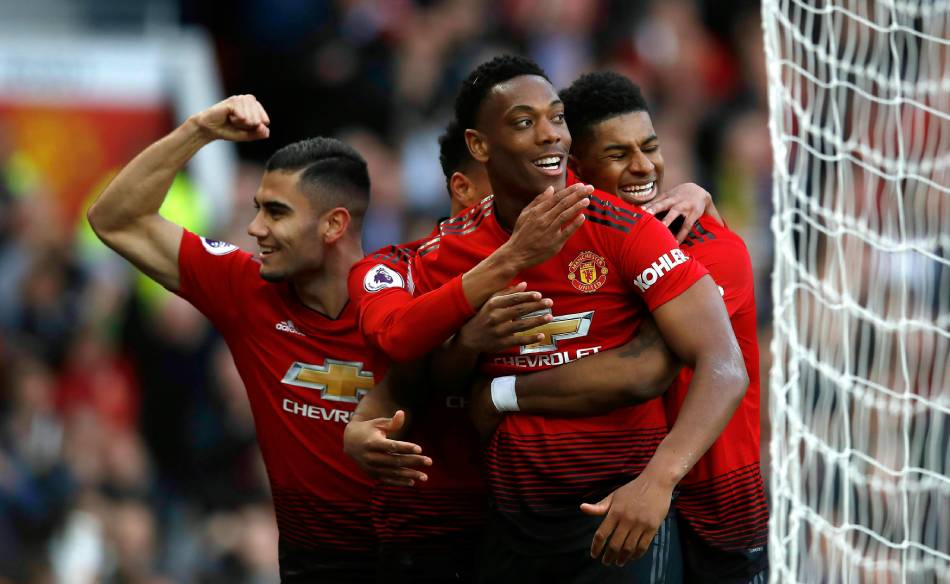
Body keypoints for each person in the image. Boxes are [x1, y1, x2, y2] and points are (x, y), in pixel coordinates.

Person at [406, 55, 748, 583]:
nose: (549, 134)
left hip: (637, 514)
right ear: (479, 146)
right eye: (525, 122)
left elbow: (701, 365)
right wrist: (468, 344)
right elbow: (427, 378)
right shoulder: (449, 251)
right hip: (510, 526)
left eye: (557, 118)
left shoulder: (641, 233)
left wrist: (657, 480)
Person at [87, 95, 384, 582]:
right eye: (256, 209)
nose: (254, 228)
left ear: (334, 225)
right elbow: (114, 218)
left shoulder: (411, 301)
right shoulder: (246, 288)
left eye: (276, 213)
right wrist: (198, 130)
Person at [559, 71, 768, 583]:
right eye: (618, 154)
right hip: (619, 500)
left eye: (650, 147)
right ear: (576, 168)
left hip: (721, 507)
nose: (644, 166)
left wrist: (503, 394)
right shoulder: (567, 252)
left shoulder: (711, 247)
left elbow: (645, 367)